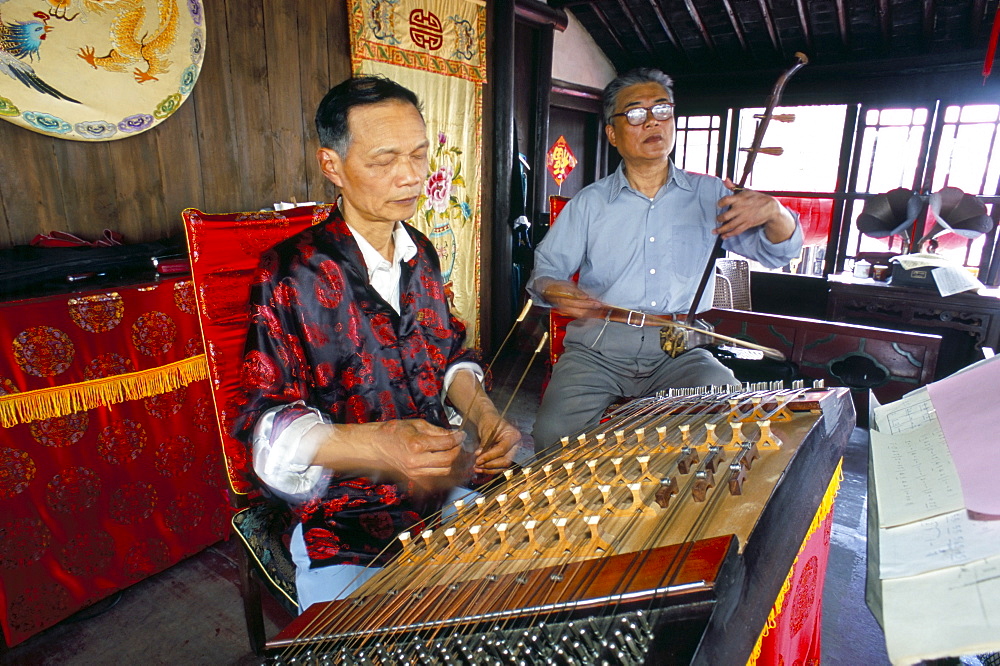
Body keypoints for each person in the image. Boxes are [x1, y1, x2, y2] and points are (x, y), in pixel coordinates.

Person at [234, 76, 520, 612]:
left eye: (418, 154)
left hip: (445, 487)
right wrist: (378, 444)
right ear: (332, 165)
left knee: (519, 598)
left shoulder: (421, 253)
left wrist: (482, 414)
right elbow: (268, 425)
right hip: (346, 515)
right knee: (359, 639)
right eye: (384, 160)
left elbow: (451, 354)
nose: (411, 176)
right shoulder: (290, 272)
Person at [526, 68, 803, 455]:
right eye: (636, 113)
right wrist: (555, 289)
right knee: (552, 434)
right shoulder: (589, 202)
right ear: (612, 133)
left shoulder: (710, 194)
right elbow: (545, 271)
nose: (653, 121)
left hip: (680, 349)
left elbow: (779, 252)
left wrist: (775, 212)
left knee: (734, 416)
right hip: (599, 349)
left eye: (662, 110)